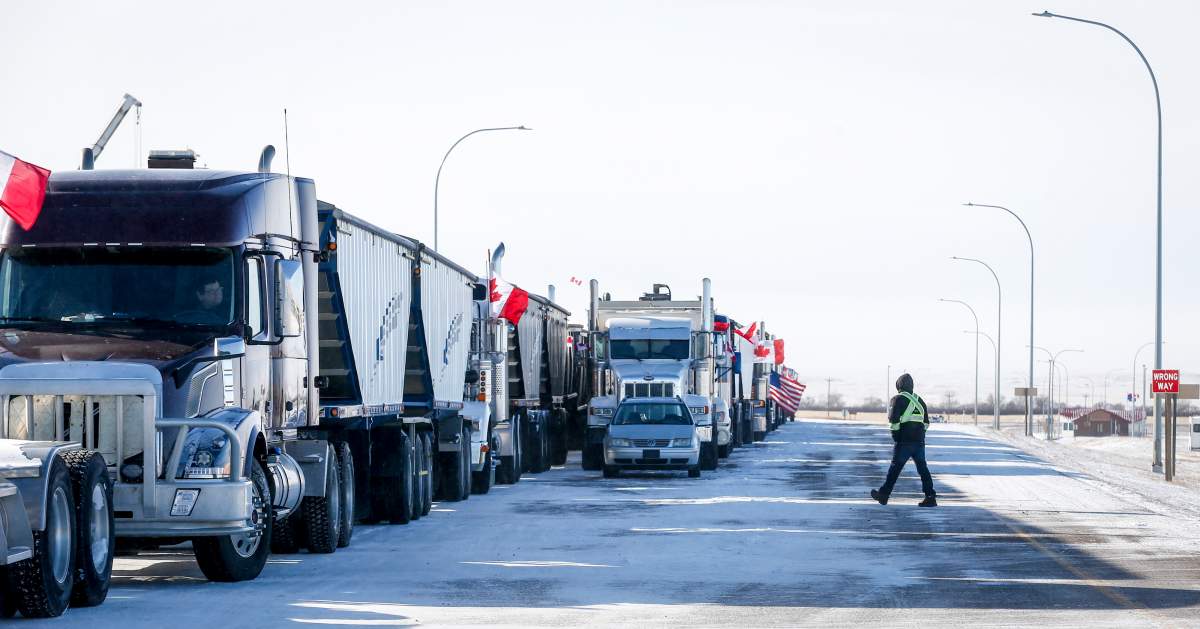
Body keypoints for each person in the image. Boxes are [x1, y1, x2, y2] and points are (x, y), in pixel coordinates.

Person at [871, 373, 937, 507]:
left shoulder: (897, 399)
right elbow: (926, 423)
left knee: (895, 468)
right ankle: (930, 497)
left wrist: (896, 437)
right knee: (923, 469)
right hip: (919, 443)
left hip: (904, 442)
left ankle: (883, 495)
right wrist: (920, 435)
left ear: (898, 385)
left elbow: (893, 421)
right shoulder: (920, 401)